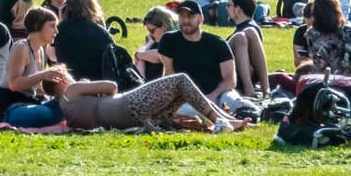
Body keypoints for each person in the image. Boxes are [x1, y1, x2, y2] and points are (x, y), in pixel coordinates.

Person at [59, 74, 241, 132]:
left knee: (182, 91)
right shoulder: (71, 90)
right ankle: (220, 121)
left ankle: (226, 120)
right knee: (181, 81)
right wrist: (87, 85)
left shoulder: (66, 107)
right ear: (60, 79)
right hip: (129, 105)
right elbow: (112, 87)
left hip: (131, 118)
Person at [156, 0, 241, 111]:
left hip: (217, 96)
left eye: (190, 16)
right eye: (182, 16)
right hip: (185, 100)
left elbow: (230, 80)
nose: (185, 20)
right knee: (186, 111)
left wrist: (213, 96)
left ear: (201, 19)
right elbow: (169, 75)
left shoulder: (217, 43)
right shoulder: (169, 40)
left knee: (234, 102)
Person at [0, 7, 70, 127]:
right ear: (37, 26)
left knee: (66, 103)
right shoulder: (21, 48)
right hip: (12, 106)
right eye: (52, 26)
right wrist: (43, 75)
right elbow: (14, 84)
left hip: (30, 102)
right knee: (44, 114)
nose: (56, 31)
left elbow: (35, 87)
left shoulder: (41, 50)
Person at [54, 0, 117, 82]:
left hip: (70, 85)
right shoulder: (101, 32)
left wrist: (60, 21)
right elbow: (114, 56)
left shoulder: (60, 30)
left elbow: (51, 55)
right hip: (99, 85)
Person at [226, 0, 269, 98]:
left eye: (228, 5)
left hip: (232, 76)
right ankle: (266, 90)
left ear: (238, 9)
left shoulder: (248, 31)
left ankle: (252, 90)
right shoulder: (252, 28)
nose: (226, 8)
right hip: (234, 74)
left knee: (242, 36)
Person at [135, 6, 176, 80]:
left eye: (152, 30)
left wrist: (139, 55)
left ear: (164, 26)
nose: (150, 34)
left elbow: (162, 55)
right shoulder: (154, 40)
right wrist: (149, 43)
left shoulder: (174, 38)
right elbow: (140, 60)